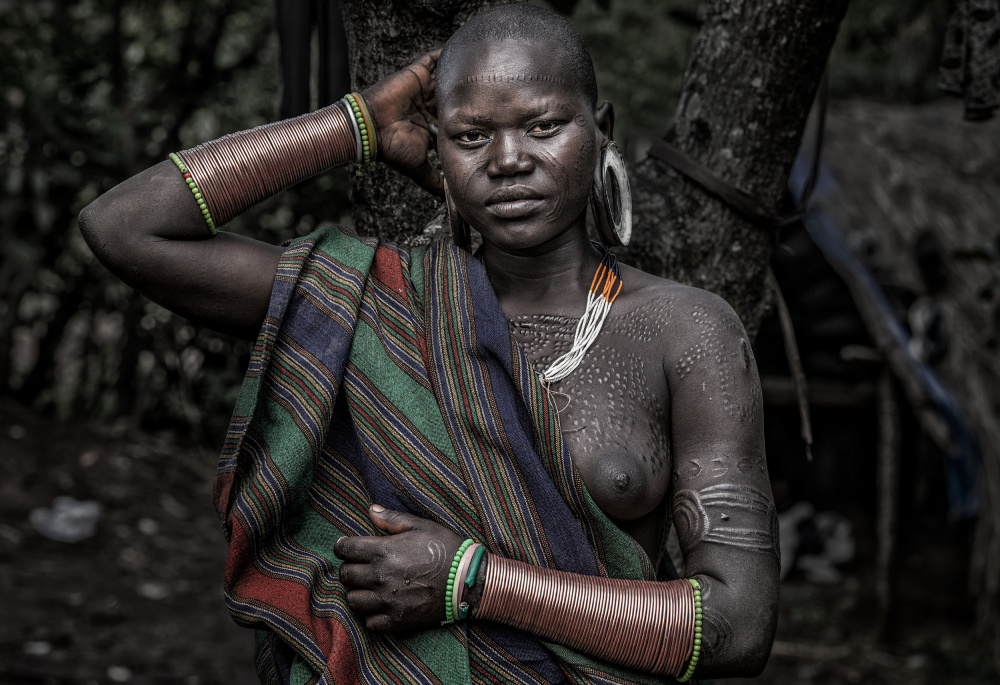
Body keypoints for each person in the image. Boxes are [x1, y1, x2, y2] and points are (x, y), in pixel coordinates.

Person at [79, 5, 778, 683]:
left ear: (600, 131)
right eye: (472, 136)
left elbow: (738, 625)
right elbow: (124, 227)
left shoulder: (688, 330)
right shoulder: (373, 303)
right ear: (437, 146)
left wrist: (472, 581)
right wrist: (356, 125)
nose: (509, 160)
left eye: (543, 126)